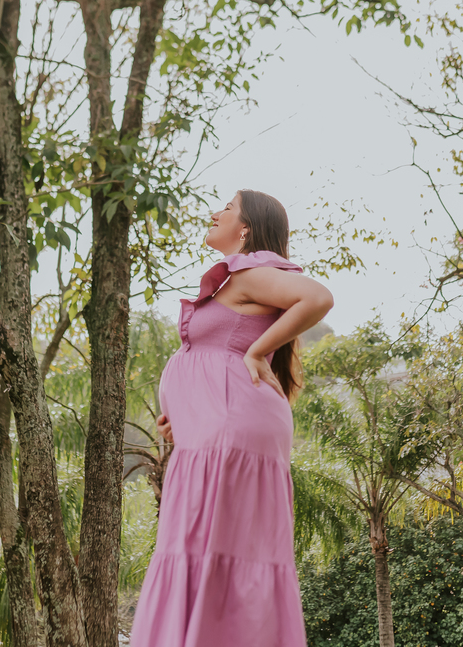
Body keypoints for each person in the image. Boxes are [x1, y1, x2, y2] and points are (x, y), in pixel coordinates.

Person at [129, 189, 334, 647]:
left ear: (245, 228)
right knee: (207, 550)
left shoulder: (250, 272)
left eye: (227, 207)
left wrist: (259, 350)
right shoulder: (234, 282)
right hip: (212, 434)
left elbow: (318, 297)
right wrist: (181, 412)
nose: (215, 212)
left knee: (213, 550)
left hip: (230, 433)